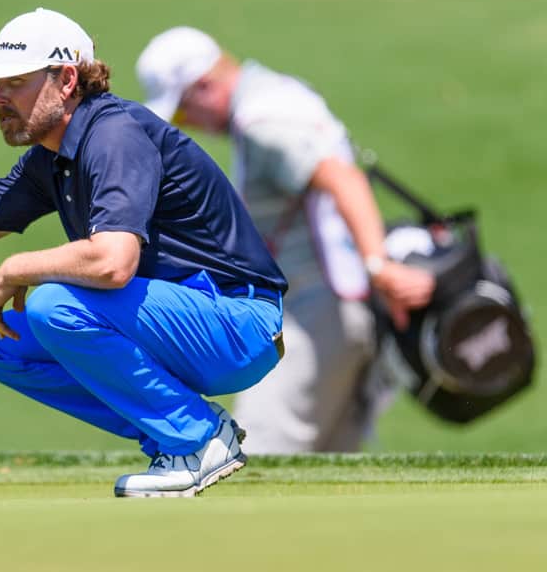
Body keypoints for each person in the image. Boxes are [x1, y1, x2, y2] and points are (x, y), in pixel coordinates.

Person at [0, 8, 288, 497]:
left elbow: (114, 263)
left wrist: (20, 266)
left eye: (14, 82)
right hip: (177, 320)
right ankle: (172, 436)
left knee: (54, 306)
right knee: (1, 345)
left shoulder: (113, 134)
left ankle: (200, 437)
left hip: (238, 321)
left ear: (67, 78)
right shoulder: (51, 157)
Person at [135, 27, 436, 453]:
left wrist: (378, 264)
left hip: (316, 314)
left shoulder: (261, 121)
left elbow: (343, 179)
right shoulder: (281, 94)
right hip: (343, 310)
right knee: (326, 473)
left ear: (204, 86)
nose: (190, 126)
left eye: (183, 112)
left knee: (252, 454)